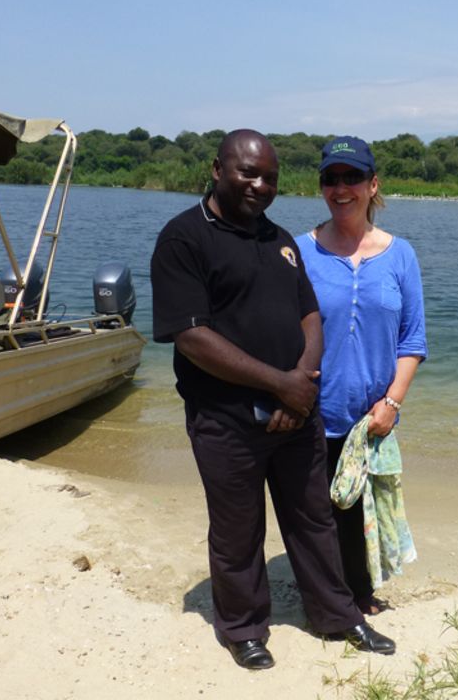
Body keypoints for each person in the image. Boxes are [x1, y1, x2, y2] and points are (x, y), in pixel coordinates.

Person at [150, 129, 395, 671]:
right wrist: (278, 384)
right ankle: (243, 628)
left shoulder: (280, 239)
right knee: (238, 529)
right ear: (218, 169)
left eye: (270, 177)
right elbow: (191, 336)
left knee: (314, 520)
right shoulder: (184, 238)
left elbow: (310, 315)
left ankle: (337, 614)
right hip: (225, 418)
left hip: (296, 412)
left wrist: (300, 383)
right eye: (248, 173)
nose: (260, 185)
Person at [295, 135, 427, 616]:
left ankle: (359, 594)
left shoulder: (401, 255)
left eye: (352, 177)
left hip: (370, 418)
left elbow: (412, 340)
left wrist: (391, 403)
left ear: (373, 185)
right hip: (309, 412)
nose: (341, 188)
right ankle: (324, 601)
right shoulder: (298, 251)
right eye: (331, 179)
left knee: (359, 512)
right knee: (314, 515)